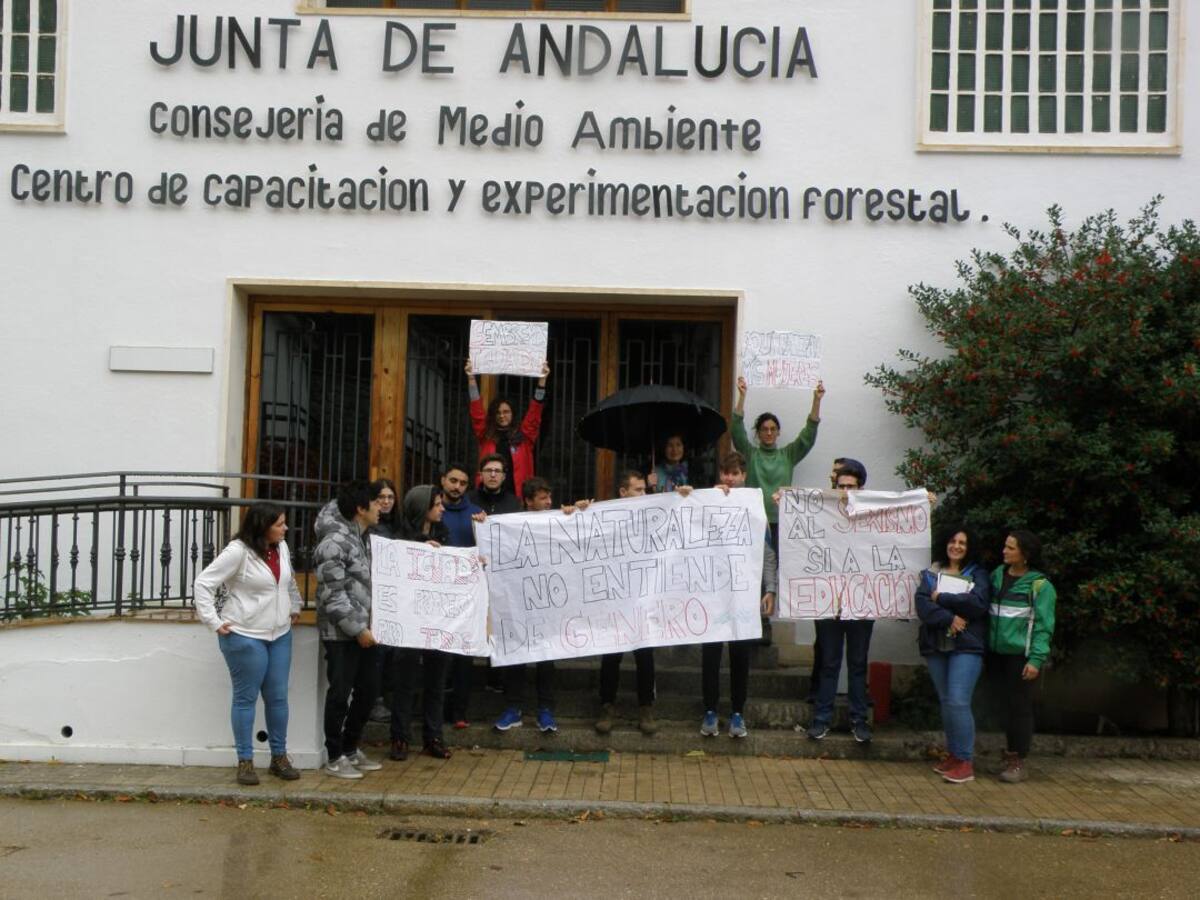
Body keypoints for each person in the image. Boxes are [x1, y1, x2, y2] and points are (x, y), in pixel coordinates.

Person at [193, 502, 303, 785]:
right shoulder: (238, 552)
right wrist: (214, 622)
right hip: (244, 635)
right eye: (280, 524)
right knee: (246, 699)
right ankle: (245, 760)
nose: (285, 528)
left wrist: (294, 604)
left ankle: (279, 757)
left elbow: (287, 582)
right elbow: (204, 583)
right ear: (262, 526)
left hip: (279, 634)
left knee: (278, 697)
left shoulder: (281, 547)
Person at [697, 453, 778, 739]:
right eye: (725, 473)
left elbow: (767, 554)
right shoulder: (708, 502)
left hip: (744, 594)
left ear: (744, 476)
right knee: (710, 654)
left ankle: (737, 713)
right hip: (713, 593)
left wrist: (770, 589)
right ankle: (709, 712)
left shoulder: (756, 508)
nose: (729, 478)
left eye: (735, 473)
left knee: (740, 656)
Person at [314, 480, 385, 780]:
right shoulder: (334, 542)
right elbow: (333, 593)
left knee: (368, 690)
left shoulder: (363, 537)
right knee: (340, 693)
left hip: (365, 631)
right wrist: (357, 629)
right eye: (376, 501)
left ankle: (351, 747)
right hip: (341, 633)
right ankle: (334, 756)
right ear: (360, 508)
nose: (381, 506)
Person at [915, 525, 991, 784]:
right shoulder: (931, 573)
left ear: (969, 549)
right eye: (953, 541)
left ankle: (965, 761)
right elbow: (923, 606)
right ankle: (955, 756)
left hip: (967, 646)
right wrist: (949, 618)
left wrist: (942, 597)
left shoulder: (978, 574)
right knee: (947, 701)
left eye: (963, 543)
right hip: (936, 646)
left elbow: (978, 604)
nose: (956, 546)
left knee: (958, 701)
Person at [807, 464, 876, 744]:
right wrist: (785, 505)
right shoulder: (820, 515)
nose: (846, 491)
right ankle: (821, 719)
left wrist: (921, 504)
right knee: (829, 663)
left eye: (851, 486)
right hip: (829, 602)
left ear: (861, 489)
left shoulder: (873, 515)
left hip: (861, 603)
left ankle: (859, 721)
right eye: (842, 486)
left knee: (858, 664)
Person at [386, 484, 453, 761]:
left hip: (437, 618)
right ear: (423, 508)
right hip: (409, 620)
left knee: (436, 682)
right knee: (405, 681)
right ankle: (400, 737)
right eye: (437, 504)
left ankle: (433, 736)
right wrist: (419, 550)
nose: (442, 508)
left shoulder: (444, 534)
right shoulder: (400, 539)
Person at [494, 476, 561, 734]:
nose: (549, 502)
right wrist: (483, 526)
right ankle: (514, 709)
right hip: (519, 601)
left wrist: (576, 512)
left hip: (547, 601)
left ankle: (546, 710)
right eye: (543, 498)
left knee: (547, 657)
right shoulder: (511, 525)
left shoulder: (558, 520)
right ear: (528, 501)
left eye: (549, 497)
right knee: (516, 655)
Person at [988, 530, 1056, 784]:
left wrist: (1036, 659)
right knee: (1004, 708)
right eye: (1005, 546)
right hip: (995, 655)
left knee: (1020, 709)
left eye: (1011, 548)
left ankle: (1018, 761)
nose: (1004, 551)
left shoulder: (1041, 586)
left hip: (1021, 657)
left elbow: (1043, 625)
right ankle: (1008, 754)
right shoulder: (997, 575)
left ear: (1025, 554)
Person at [595, 470, 659, 737]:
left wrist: (683, 498)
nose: (643, 495)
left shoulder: (653, 516)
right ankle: (607, 707)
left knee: (645, 656)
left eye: (645, 490)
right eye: (638, 490)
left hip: (643, 598)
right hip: (615, 599)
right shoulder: (604, 516)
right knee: (611, 656)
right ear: (623, 492)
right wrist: (578, 510)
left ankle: (646, 708)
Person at [731, 374, 826, 546]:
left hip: (783, 520)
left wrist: (817, 400)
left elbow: (808, 436)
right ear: (758, 433)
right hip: (755, 519)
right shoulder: (750, 454)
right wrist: (742, 396)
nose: (769, 433)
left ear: (778, 432)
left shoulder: (788, 455)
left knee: (778, 567)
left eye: (773, 429)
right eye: (764, 429)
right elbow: (737, 431)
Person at [440, 463, 486, 730]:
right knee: (440, 656)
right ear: (443, 480)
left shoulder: (475, 515)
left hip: (467, 595)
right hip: (439, 595)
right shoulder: (434, 510)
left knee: (464, 658)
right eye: (453, 480)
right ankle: (436, 710)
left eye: (462, 483)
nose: (457, 486)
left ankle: (459, 712)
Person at [467, 358, 550, 500]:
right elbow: (477, 411)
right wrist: (471, 378)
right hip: (488, 498)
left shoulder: (524, 436)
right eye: (498, 412)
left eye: (506, 412)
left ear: (513, 414)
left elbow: (535, 411)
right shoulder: (486, 435)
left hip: (517, 497)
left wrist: (542, 380)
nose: (501, 415)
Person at [367, 478, 399, 726]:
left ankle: (384, 697)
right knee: (377, 655)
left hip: (394, 598)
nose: (386, 503)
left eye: (390, 498)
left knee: (389, 654)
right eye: (381, 498)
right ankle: (374, 700)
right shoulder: (367, 528)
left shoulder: (398, 526)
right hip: (373, 598)